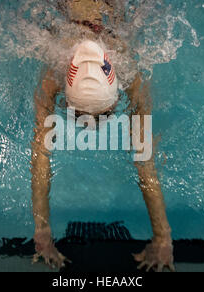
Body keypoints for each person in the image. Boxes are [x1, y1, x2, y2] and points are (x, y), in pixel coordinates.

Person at [30, 0, 174, 272]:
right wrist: (162, 237)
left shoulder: (54, 73)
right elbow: (145, 161)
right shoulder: (128, 73)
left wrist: (43, 231)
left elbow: (41, 153)